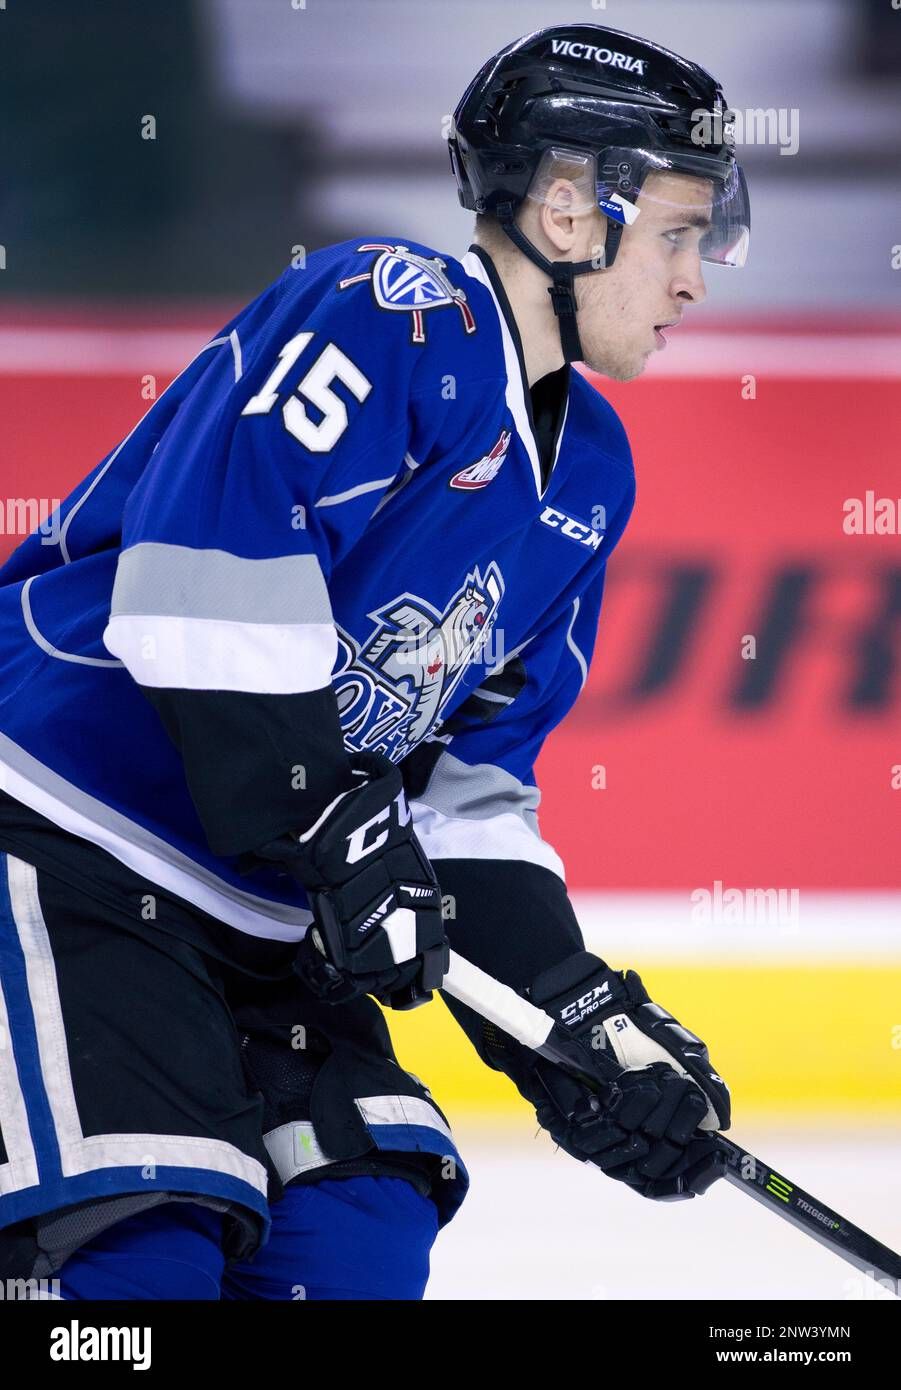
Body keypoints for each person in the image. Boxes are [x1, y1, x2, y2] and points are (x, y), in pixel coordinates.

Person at [0, 23, 749, 1300]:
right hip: (66, 846)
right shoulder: (387, 309)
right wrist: (339, 826)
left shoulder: (590, 478)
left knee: (355, 1241)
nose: (694, 279)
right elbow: (200, 579)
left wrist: (574, 1019)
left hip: (271, 917)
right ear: (568, 210)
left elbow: (465, 799)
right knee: (130, 1261)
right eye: (678, 233)